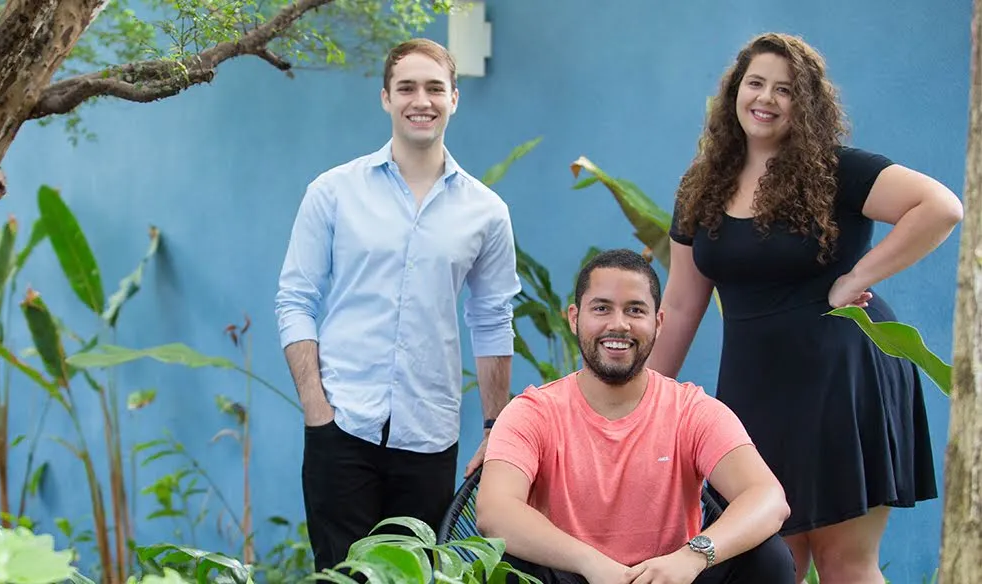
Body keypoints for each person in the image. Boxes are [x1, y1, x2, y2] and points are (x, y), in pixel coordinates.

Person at [647, 32, 964, 583]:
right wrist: (637, 402)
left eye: (785, 89)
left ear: (807, 102)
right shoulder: (700, 186)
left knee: (845, 562)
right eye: (755, 84)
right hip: (754, 389)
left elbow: (939, 206)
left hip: (843, 379)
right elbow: (679, 302)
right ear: (734, 94)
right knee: (770, 562)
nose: (766, 98)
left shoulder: (839, 170)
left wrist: (857, 277)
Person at [274, 38, 521, 572]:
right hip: (342, 427)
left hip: (430, 434)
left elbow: (491, 318)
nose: (421, 100)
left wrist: (494, 428)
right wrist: (317, 409)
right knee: (343, 578)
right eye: (406, 87)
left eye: (435, 88)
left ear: (455, 98)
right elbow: (295, 299)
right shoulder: (333, 192)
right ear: (385, 98)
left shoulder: (486, 211)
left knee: (418, 577)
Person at [477, 249, 795, 584]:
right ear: (574, 318)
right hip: (574, 575)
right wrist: (589, 562)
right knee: (512, 565)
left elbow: (768, 498)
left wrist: (692, 556)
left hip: (671, 577)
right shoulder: (532, 412)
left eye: (635, 310)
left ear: (657, 323)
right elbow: (494, 510)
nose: (618, 324)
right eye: (601, 308)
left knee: (768, 557)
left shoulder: (691, 410)